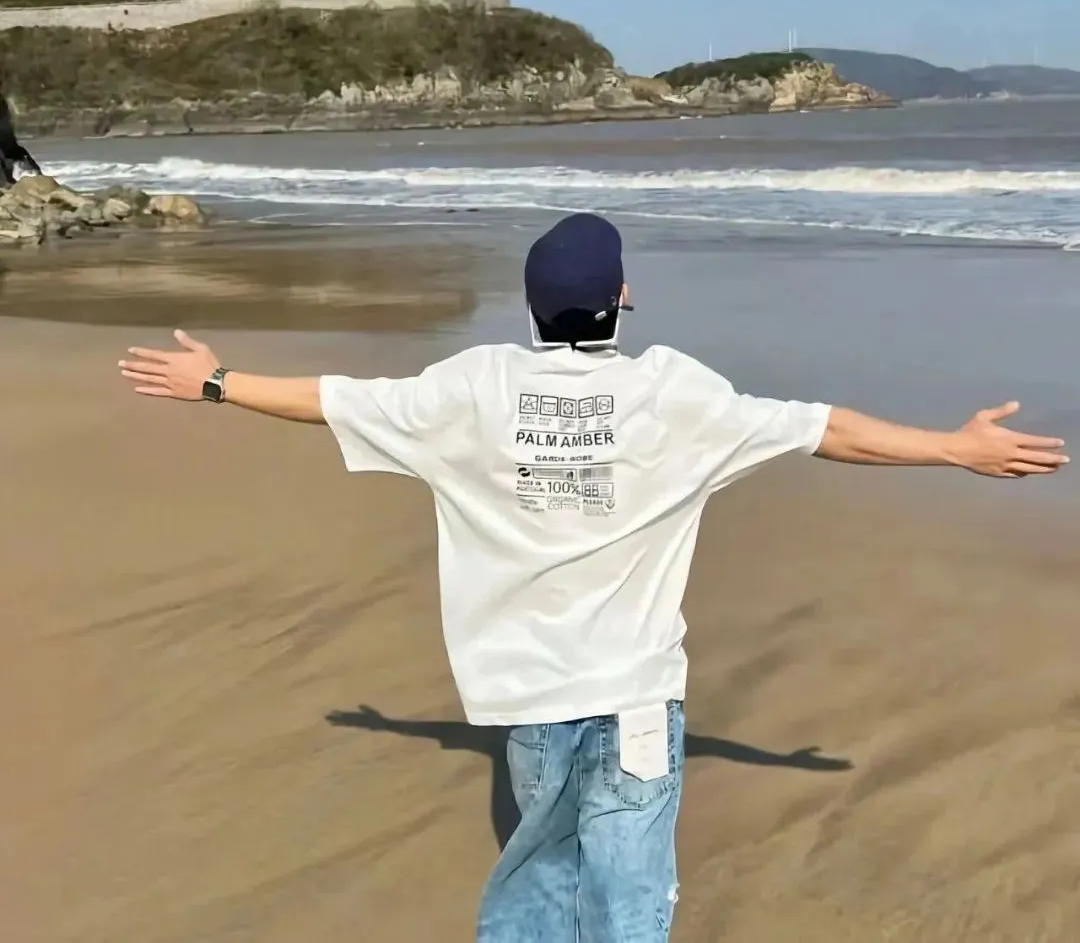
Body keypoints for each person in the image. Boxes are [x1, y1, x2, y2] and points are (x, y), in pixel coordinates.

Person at [118, 212, 1068, 942]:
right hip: (636, 700)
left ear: (533, 307)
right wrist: (953, 448)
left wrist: (216, 382)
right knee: (628, 892)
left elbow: (333, 399)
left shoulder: (470, 389)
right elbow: (827, 430)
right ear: (622, 299)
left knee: (544, 866)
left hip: (527, 699)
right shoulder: (675, 394)